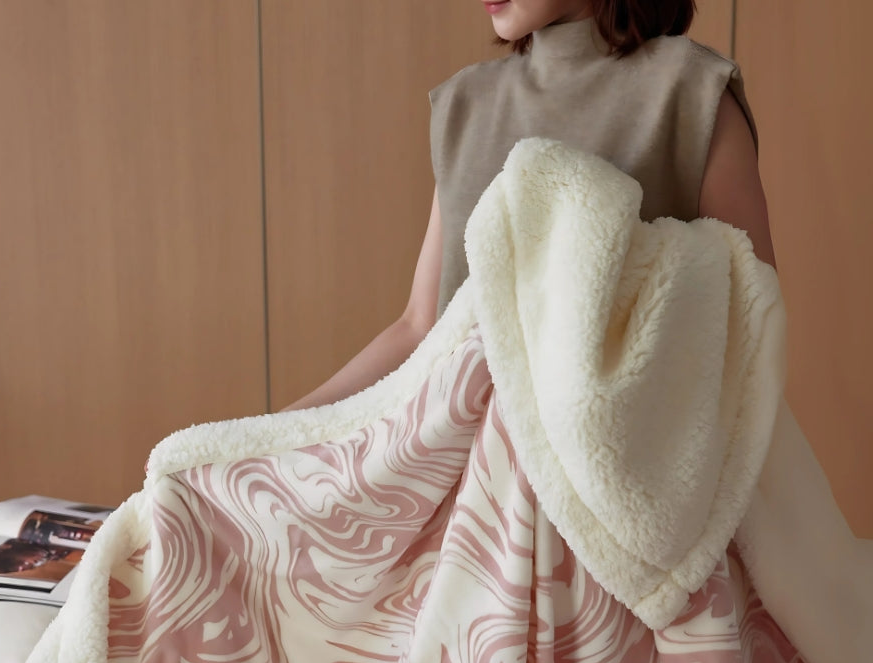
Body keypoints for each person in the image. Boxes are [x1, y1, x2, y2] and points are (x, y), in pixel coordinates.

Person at [284, 0, 776, 412]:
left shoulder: (691, 92)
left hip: (628, 479)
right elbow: (420, 329)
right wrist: (277, 428)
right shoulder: (466, 106)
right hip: (460, 484)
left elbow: (751, 330)